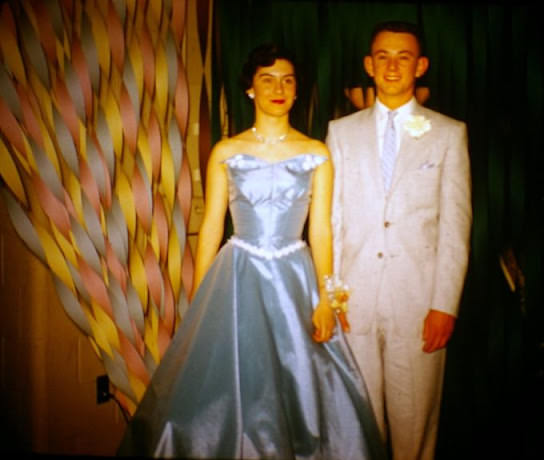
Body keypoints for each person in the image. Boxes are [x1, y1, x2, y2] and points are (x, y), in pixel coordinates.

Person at [118, 44, 385, 459]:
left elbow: (322, 232)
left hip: (295, 276)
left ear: (297, 91)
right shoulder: (226, 151)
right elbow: (211, 226)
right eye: (267, 79)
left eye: (287, 80)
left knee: (299, 384)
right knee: (230, 388)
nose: (278, 88)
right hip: (237, 275)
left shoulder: (317, 153)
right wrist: (202, 293)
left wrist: (327, 298)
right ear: (250, 90)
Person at [326, 21, 472, 460]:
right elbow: (331, 222)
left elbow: (455, 226)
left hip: (419, 305)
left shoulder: (449, 133)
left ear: (420, 65)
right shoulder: (340, 132)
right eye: (383, 56)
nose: (392, 65)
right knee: (357, 426)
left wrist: (445, 303)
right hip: (354, 304)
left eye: (403, 56)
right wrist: (332, 298)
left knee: (415, 431)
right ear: (369, 65)